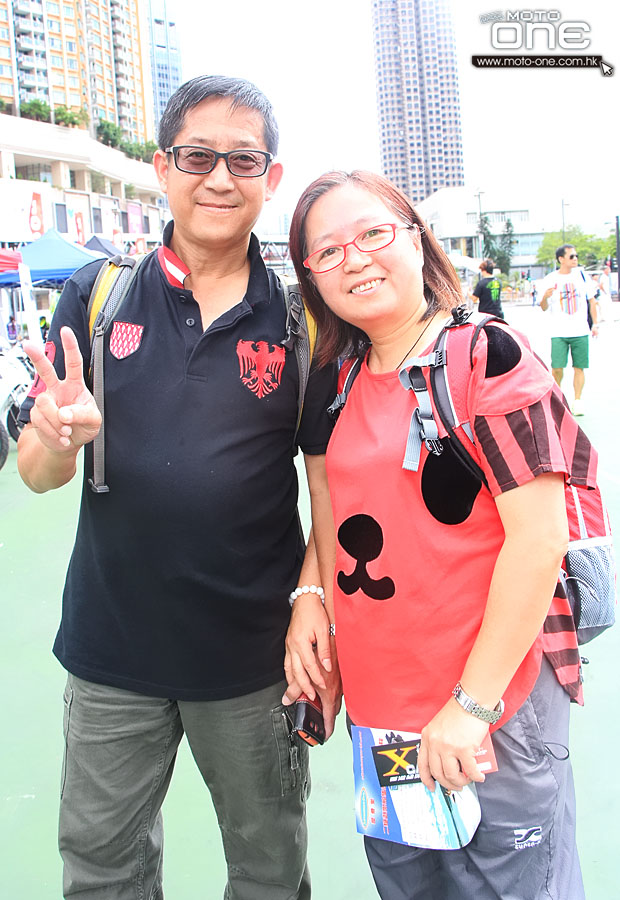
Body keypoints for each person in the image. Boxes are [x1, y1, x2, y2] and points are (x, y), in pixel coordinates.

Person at [17, 75, 340, 900]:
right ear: (162, 167)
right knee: (101, 868)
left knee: (270, 868)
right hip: (110, 656)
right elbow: (37, 473)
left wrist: (313, 598)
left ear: (272, 178)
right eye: (198, 156)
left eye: (244, 159)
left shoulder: (303, 321)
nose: (220, 178)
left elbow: (330, 490)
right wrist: (56, 438)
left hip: (252, 660)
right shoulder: (95, 297)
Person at [283, 170, 588, 900]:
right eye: (326, 253)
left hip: (494, 718)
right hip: (382, 721)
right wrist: (311, 595)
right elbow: (333, 507)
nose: (353, 259)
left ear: (417, 240)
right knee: (411, 887)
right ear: (312, 281)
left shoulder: (489, 359)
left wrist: (471, 706)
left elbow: (539, 541)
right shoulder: (341, 379)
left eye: (372, 234)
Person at [538, 244, 598, 416]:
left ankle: (577, 400)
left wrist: (595, 324)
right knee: (557, 368)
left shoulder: (582, 276)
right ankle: (557, 400)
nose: (575, 259)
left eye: (576, 256)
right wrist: (545, 297)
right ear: (561, 259)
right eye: (571, 256)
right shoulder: (550, 279)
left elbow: (592, 301)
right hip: (559, 332)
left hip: (580, 331)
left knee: (579, 367)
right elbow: (543, 307)